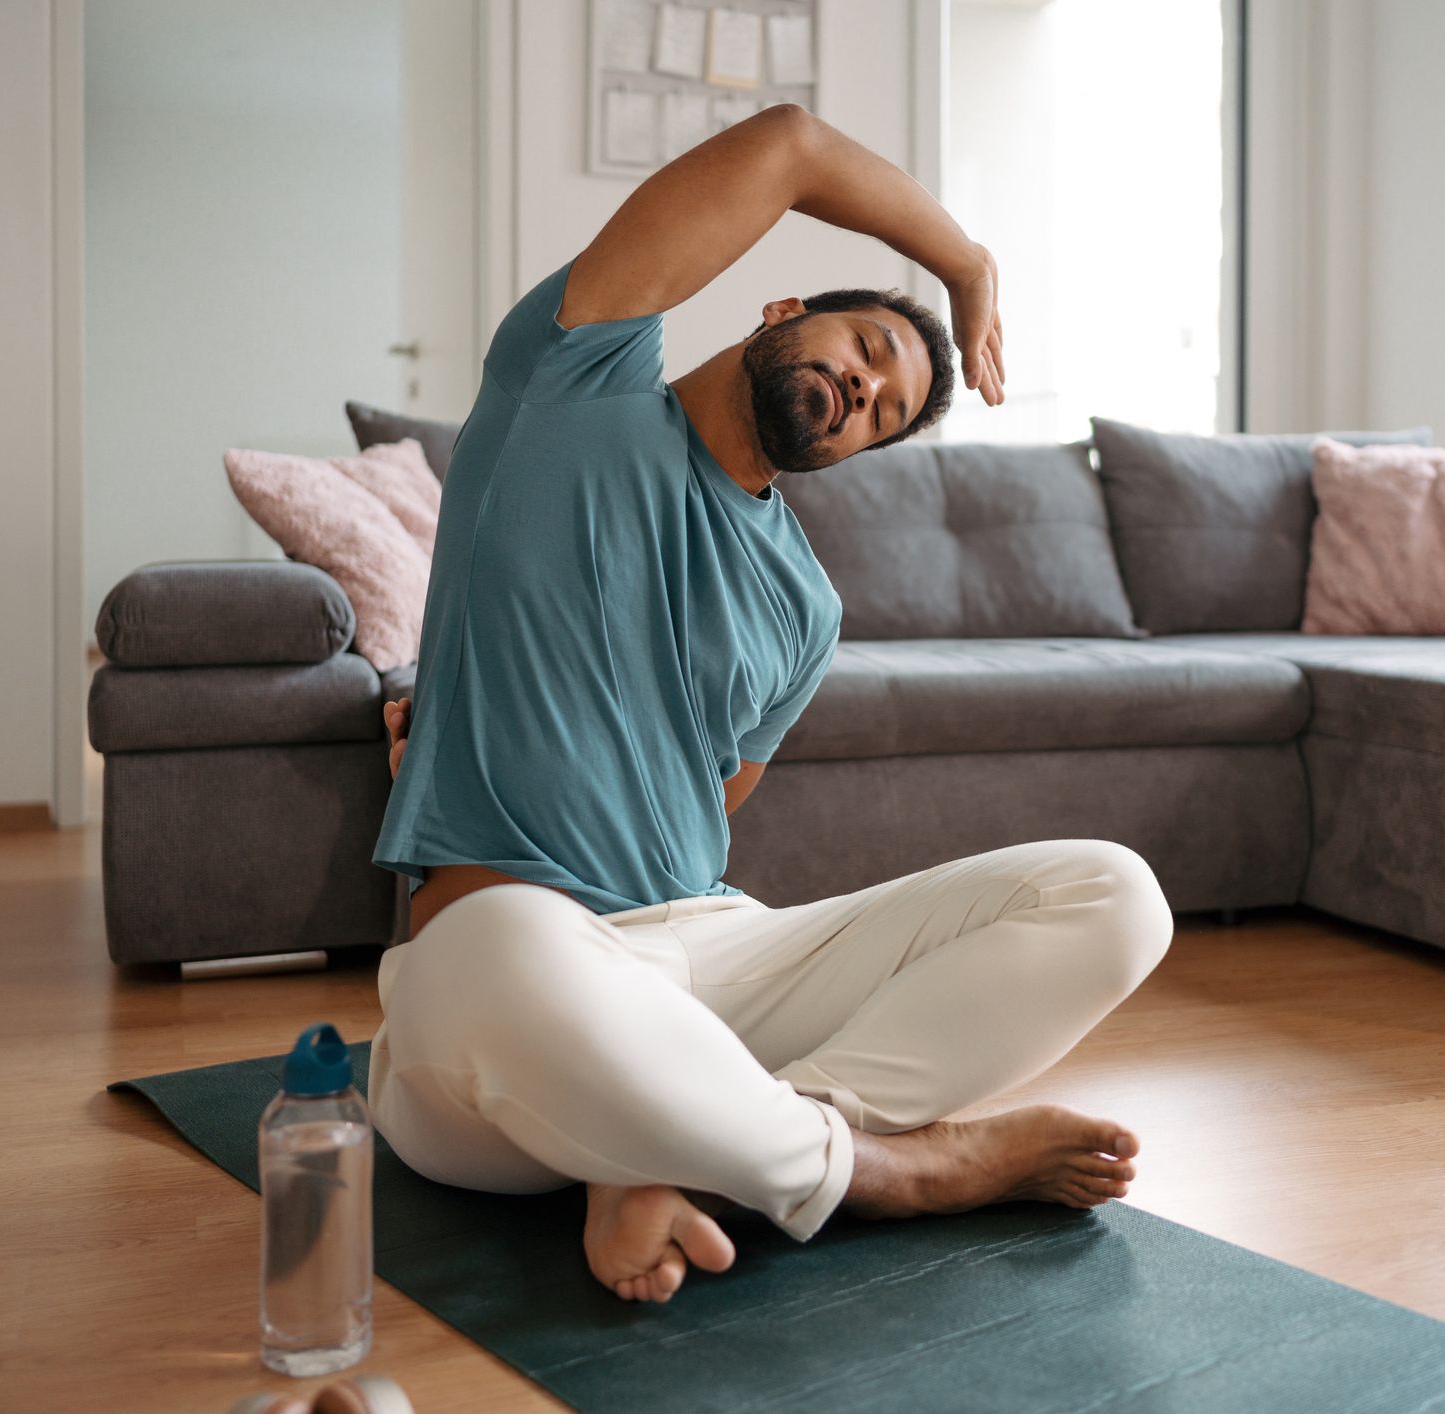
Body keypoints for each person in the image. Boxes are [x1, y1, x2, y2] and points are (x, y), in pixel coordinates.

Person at [367, 103, 1173, 1304]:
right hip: (513, 957)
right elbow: (791, 147)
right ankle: (900, 1172)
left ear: (857, 455)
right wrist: (963, 264)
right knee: (496, 949)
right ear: (782, 314)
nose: (861, 389)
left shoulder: (805, 607)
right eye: (863, 350)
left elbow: (713, 796)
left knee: (1115, 895)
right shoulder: (569, 384)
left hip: (709, 948)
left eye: (885, 410)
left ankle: (702, 1154)